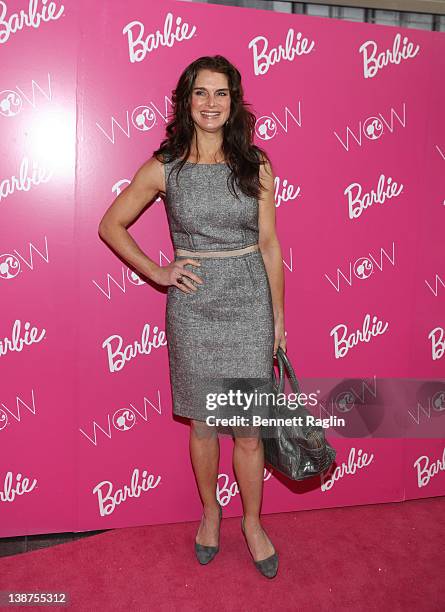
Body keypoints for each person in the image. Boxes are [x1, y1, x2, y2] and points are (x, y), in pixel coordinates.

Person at [98, 55, 286, 579]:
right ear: (186, 101)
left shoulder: (255, 165)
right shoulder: (166, 167)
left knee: (248, 429)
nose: (210, 103)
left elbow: (269, 246)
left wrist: (277, 319)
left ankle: (252, 522)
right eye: (200, 93)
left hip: (249, 302)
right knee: (204, 425)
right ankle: (210, 512)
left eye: (221, 93)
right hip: (195, 306)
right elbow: (111, 224)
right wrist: (157, 271)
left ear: (234, 101)